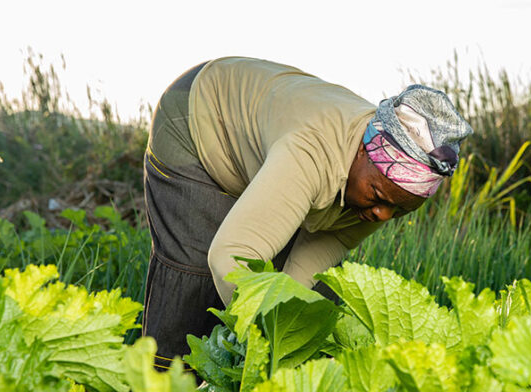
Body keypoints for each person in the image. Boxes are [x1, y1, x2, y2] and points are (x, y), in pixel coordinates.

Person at [141, 57, 473, 370]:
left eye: (400, 209)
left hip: (270, 144)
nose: (382, 215)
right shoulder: (309, 152)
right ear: (362, 150)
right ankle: (160, 379)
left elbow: (302, 274)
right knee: (197, 270)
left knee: (317, 292)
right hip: (198, 116)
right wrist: (264, 348)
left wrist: (287, 346)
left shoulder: (382, 188)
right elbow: (231, 257)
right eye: (377, 197)